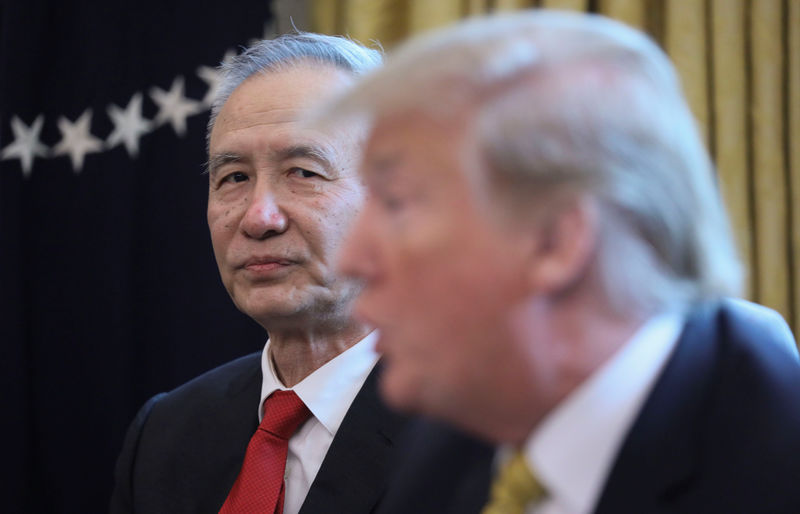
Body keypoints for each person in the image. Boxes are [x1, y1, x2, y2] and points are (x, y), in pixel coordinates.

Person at [325, 10, 800, 513]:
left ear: (555, 241)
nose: (351, 258)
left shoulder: (775, 464)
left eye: (397, 202)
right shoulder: (452, 445)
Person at [110, 33, 409, 514]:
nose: (258, 218)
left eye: (303, 172)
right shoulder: (164, 435)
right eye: (234, 178)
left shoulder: (481, 429)